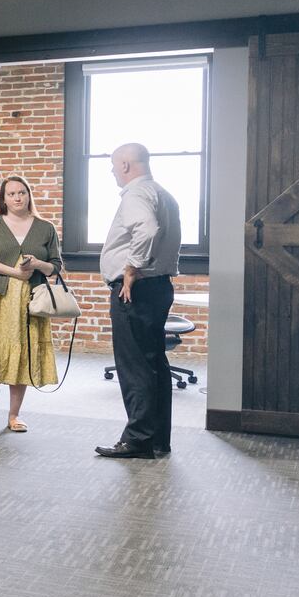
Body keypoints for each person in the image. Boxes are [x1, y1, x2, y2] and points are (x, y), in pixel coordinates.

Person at [95, 143, 182, 459]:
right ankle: (158, 438)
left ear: (127, 165)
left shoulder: (136, 194)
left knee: (135, 366)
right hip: (158, 287)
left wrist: (130, 270)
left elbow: (146, 229)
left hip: (136, 289)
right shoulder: (164, 194)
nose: (114, 173)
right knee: (154, 362)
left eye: (115, 167)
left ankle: (138, 439)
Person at [0, 175, 61, 433]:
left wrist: (37, 265)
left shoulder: (45, 228)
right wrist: (14, 271)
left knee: (23, 353)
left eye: (22, 192)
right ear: (4, 198)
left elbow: (56, 266)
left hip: (31, 301)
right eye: (11, 194)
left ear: (28, 195)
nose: (18, 198)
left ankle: (14, 415)